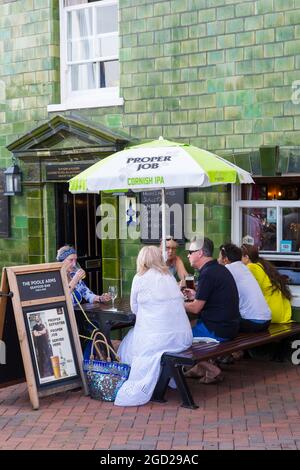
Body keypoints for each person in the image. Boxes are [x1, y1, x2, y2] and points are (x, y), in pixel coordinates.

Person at [114, 246, 193, 407]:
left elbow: (134, 309)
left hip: (159, 339)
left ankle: (131, 378)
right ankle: (162, 378)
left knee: (128, 342)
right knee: (136, 337)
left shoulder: (140, 277)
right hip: (183, 338)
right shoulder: (168, 276)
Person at [184, 238, 240, 383]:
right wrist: (195, 295)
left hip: (218, 330)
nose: (188, 255)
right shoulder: (218, 269)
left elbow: (196, 308)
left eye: (190, 252)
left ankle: (211, 369)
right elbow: (213, 297)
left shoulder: (207, 273)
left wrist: (176, 303)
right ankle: (200, 368)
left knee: (177, 340)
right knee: (187, 329)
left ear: (200, 253)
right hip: (230, 326)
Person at [218, 243, 271, 332]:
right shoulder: (243, 267)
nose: (217, 260)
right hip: (266, 321)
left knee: (218, 323)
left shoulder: (227, 269)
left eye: (219, 257)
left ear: (225, 259)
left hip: (253, 322)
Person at [241, 244, 292, 324]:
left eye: (239, 258)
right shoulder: (261, 265)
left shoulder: (251, 267)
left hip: (269, 313)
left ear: (246, 258)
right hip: (281, 312)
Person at [31, 314, 53, 379]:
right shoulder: (34, 326)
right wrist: (41, 332)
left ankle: (51, 371)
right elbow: (35, 334)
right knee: (41, 358)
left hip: (45, 343)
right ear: (35, 319)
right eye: (36, 318)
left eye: (37, 317)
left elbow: (44, 331)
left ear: (39, 318)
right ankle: (43, 374)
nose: (37, 318)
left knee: (49, 356)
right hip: (39, 344)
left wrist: (39, 332)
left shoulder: (43, 325)